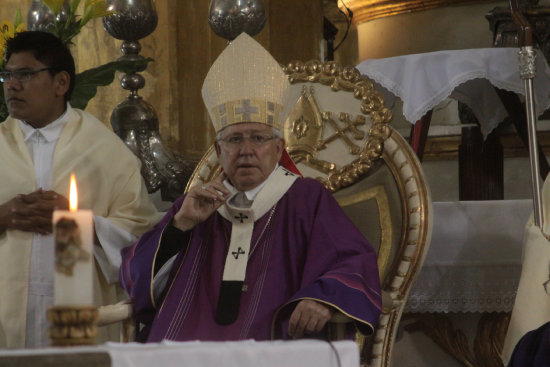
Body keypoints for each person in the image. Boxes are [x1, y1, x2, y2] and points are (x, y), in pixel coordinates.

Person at [121, 32, 382, 342]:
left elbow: (352, 262)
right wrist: (180, 226)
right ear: (219, 152)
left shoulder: (306, 199)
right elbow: (135, 280)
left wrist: (322, 297)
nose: (246, 150)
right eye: (233, 139)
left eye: (258, 138)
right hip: (185, 351)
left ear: (278, 148)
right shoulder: (196, 204)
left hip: (275, 350)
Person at [0, 31, 159, 348]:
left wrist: (83, 224)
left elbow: (144, 236)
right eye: (7, 75)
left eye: (26, 74)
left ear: (61, 83)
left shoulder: (103, 149)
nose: (12, 85)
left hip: (81, 315)